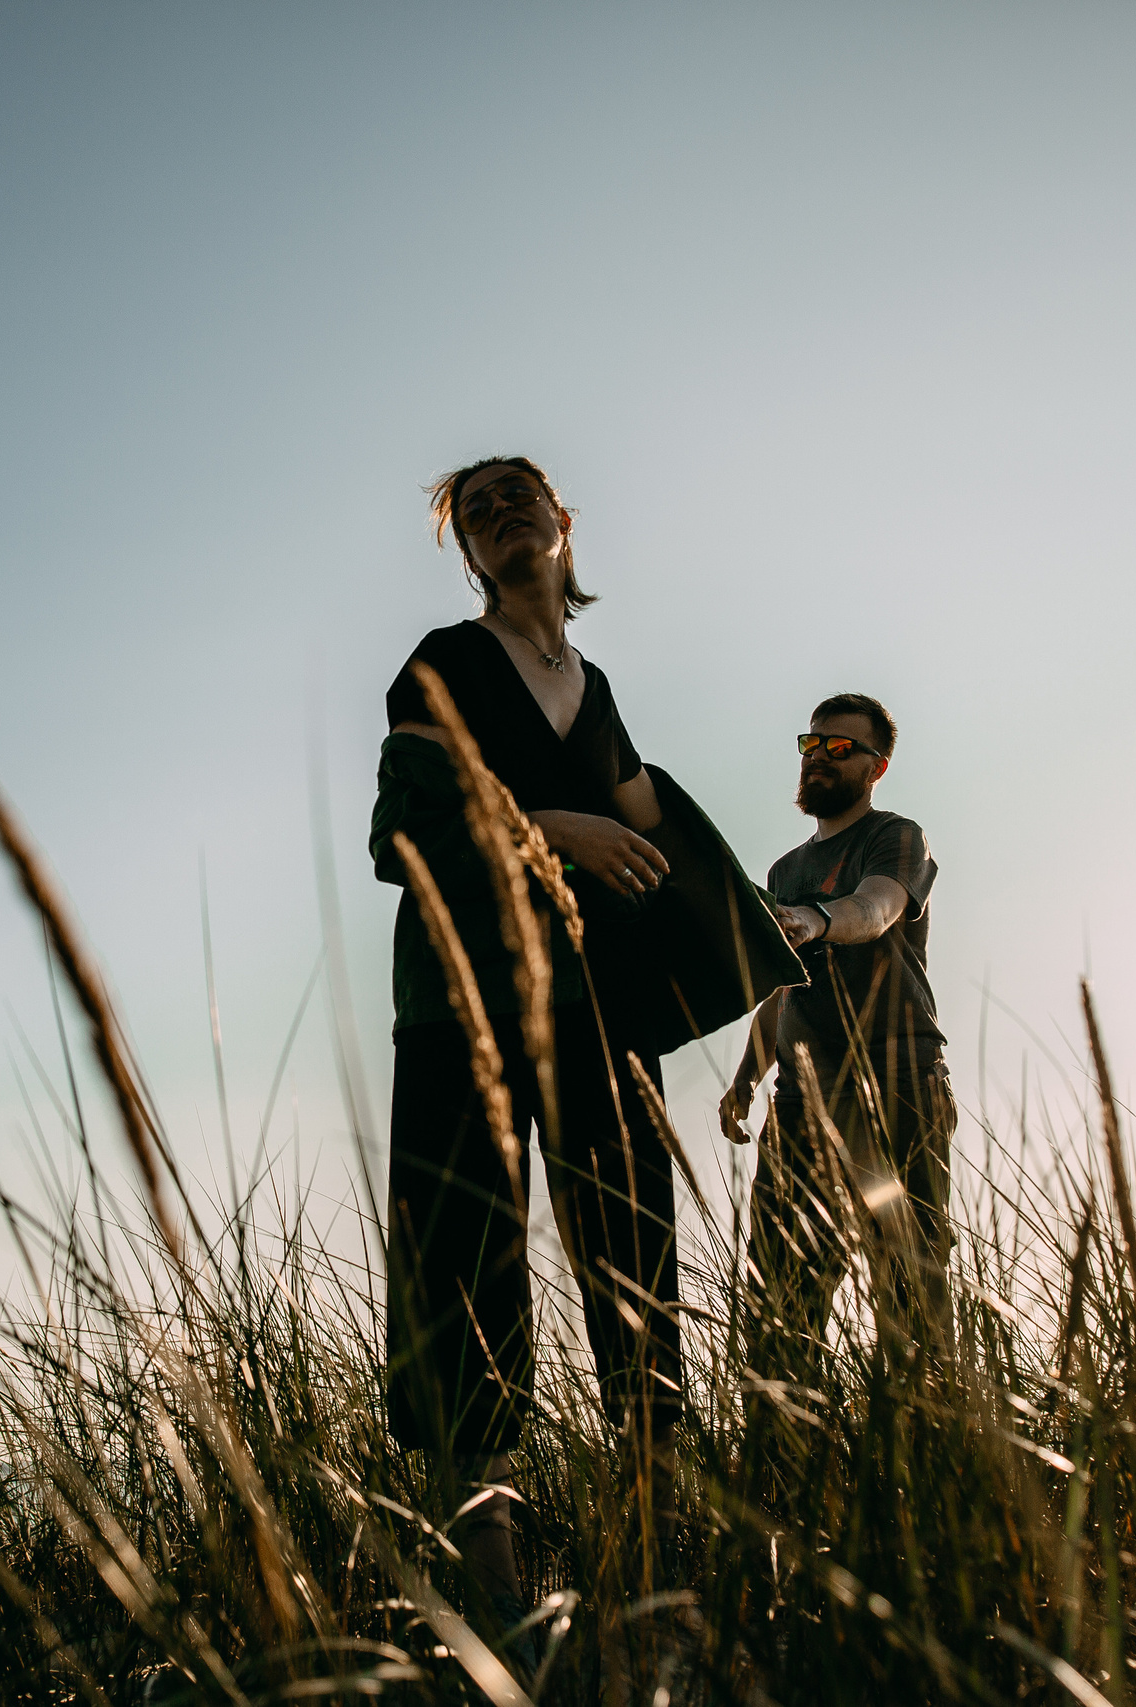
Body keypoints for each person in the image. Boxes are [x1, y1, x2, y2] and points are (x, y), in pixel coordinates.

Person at [372, 455, 796, 1630]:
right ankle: (493, 1591)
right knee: (465, 1252)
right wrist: (551, 827)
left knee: (633, 1245)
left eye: (521, 495)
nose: (502, 512)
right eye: (477, 508)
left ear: (562, 524)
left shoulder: (591, 682)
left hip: (597, 998)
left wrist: (763, 924)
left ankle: (663, 1565)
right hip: (468, 996)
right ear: (467, 550)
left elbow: (645, 814)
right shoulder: (442, 662)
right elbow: (404, 816)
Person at [720, 693, 955, 1361]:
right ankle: (787, 1455)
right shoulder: (784, 873)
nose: (820, 754)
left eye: (840, 747)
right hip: (801, 1103)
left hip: (898, 1082)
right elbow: (780, 989)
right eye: (812, 742)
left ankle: (926, 1448)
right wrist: (746, 1077)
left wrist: (819, 920)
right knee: (781, 1300)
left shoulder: (896, 838)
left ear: (876, 767)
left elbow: (876, 908)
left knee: (910, 1287)